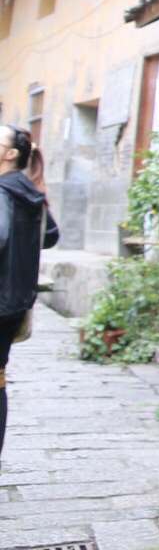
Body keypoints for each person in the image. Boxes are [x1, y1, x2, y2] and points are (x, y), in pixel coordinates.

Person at [0, 124, 59, 458]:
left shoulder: (3, 190)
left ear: (11, 154)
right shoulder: (29, 190)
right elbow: (50, 235)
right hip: (15, 302)